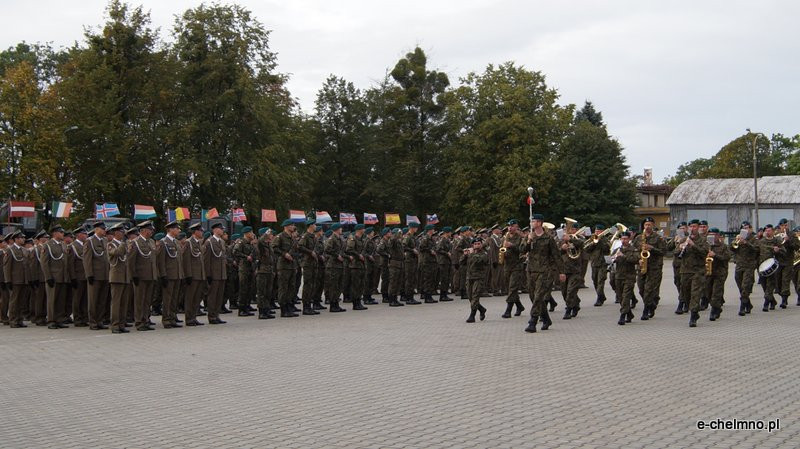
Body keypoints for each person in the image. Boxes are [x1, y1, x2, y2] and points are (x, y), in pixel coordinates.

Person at [523, 214, 565, 333]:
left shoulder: (548, 238)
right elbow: (522, 251)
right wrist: (528, 240)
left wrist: (561, 272)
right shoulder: (529, 236)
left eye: (534, 221)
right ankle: (546, 318)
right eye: (531, 221)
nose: (532, 223)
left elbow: (556, 256)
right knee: (533, 297)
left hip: (545, 271)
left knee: (538, 297)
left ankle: (533, 321)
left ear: (540, 223)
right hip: (531, 270)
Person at [679, 219, 711, 327]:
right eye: (691, 227)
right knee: (686, 293)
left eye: (695, 227)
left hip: (698, 271)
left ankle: (693, 316)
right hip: (685, 271)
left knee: (695, 293)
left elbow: (704, 252)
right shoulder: (684, 239)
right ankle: (692, 310)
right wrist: (680, 248)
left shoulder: (703, 240)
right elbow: (674, 253)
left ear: (698, 228)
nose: (693, 229)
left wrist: (693, 245)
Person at [633, 217, 666, 320]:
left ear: (653, 225)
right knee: (641, 289)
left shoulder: (658, 238)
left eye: (649, 224)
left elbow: (663, 251)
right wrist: (638, 259)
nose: (647, 226)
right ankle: (651, 304)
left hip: (654, 267)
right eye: (646, 225)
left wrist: (652, 248)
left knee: (649, 290)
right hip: (642, 266)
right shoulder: (638, 238)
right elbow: (633, 251)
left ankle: (646, 310)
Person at [40, 225, 70, 329]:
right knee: (52, 300)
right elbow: (44, 263)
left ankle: (59, 319)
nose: (63, 234)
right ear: (55, 233)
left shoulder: (63, 245)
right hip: (53, 277)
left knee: (61, 300)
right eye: (61, 232)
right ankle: (51, 320)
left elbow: (65, 262)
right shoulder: (47, 245)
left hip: (62, 277)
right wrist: (48, 277)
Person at [157, 221, 183, 328]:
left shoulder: (176, 242)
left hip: (177, 275)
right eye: (177, 228)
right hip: (168, 275)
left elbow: (179, 260)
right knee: (167, 299)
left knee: (174, 298)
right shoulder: (163, 242)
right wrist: (163, 275)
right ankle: (166, 319)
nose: (178, 230)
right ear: (171, 230)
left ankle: (172, 317)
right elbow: (161, 261)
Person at [107, 223, 131, 333]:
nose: (124, 234)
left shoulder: (123, 244)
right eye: (122, 232)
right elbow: (117, 253)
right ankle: (115, 325)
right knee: (116, 302)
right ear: (116, 232)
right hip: (116, 277)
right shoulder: (111, 244)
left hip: (125, 276)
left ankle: (122, 324)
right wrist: (123, 244)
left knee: (124, 302)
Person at [731, 221, 758, 316]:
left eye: (747, 228)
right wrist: (734, 242)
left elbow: (757, 249)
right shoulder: (739, 238)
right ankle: (748, 304)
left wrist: (746, 243)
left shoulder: (754, 239)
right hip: (739, 265)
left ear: (751, 229)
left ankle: (742, 307)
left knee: (745, 286)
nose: (745, 230)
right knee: (740, 286)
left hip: (749, 266)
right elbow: (732, 249)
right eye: (743, 228)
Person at [611, 231, 638, 325]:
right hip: (618, 276)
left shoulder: (633, 249)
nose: (623, 240)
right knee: (621, 297)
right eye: (622, 239)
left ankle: (622, 316)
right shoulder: (617, 249)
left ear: (629, 239)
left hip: (629, 276)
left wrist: (624, 256)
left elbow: (636, 260)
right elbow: (610, 260)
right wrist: (613, 259)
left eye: (625, 239)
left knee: (626, 296)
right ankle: (629, 313)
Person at [203, 222, 228, 324]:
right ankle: (212, 316)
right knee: (212, 296)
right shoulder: (209, 242)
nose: (222, 230)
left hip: (221, 273)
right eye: (221, 229)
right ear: (215, 230)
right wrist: (208, 274)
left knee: (219, 296)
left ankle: (217, 315)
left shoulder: (221, 242)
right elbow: (206, 260)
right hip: (214, 274)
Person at [3, 231, 29, 328]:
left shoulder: (24, 250)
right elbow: (6, 267)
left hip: (24, 279)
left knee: (22, 301)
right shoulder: (10, 250)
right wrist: (8, 280)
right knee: (14, 301)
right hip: (15, 280)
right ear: (16, 239)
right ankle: (13, 320)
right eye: (21, 238)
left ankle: (19, 319)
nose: (23, 239)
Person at [182, 223, 206, 326]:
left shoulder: (198, 243)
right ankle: (189, 318)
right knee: (190, 298)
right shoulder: (188, 243)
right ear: (195, 232)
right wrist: (188, 275)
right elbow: (186, 260)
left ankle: (194, 317)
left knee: (197, 298)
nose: (202, 232)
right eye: (200, 231)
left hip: (199, 275)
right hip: (192, 275)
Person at [501, 219, 526, 318]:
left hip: (517, 266)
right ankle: (519, 306)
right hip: (507, 265)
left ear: (516, 227)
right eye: (509, 226)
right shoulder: (505, 237)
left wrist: (512, 245)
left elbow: (522, 249)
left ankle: (508, 310)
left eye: (512, 226)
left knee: (512, 287)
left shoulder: (520, 237)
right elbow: (501, 247)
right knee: (510, 288)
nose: (510, 228)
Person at [705, 228, 731, 321]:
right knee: (708, 293)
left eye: (714, 235)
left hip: (720, 273)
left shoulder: (723, 246)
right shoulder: (706, 246)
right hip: (708, 273)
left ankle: (713, 311)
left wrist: (715, 255)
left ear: (718, 236)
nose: (712, 236)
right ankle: (717, 307)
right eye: (710, 234)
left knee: (716, 293)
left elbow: (727, 257)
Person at [757, 224, 784, 312]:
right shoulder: (761, 241)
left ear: (772, 231)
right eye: (766, 231)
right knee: (764, 285)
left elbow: (784, 252)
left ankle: (766, 304)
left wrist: (778, 250)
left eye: (769, 231)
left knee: (770, 286)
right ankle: (772, 301)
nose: (767, 232)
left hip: (772, 267)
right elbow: (755, 251)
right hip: (761, 267)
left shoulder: (777, 240)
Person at [233, 226, 257, 317]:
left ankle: (247, 306)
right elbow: (235, 252)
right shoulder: (241, 242)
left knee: (249, 289)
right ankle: (242, 309)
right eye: (251, 232)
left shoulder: (251, 243)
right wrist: (245, 256)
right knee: (243, 289)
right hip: (244, 268)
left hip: (250, 268)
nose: (252, 234)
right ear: (246, 233)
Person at [584, 224, 611, 306]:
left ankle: (599, 298)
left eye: (599, 231)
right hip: (594, 263)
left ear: (602, 232)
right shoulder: (592, 239)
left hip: (603, 263)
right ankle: (602, 296)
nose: (597, 232)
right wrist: (593, 243)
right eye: (596, 231)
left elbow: (607, 249)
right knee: (595, 281)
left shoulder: (606, 240)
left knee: (600, 281)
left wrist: (600, 241)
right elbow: (586, 249)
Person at [324, 223, 346, 312]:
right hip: (333, 265)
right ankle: (333, 305)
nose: (341, 229)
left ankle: (336, 303)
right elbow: (327, 249)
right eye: (340, 228)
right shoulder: (332, 238)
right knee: (334, 285)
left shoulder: (339, 239)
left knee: (339, 286)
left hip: (339, 265)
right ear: (337, 229)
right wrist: (337, 256)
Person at [465, 237, 488, 323]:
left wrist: (471, 254)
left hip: (478, 278)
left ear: (481, 244)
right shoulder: (471, 253)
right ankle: (482, 309)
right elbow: (461, 262)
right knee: (470, 297)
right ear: (472, 245)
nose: (477, 245)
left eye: (479, 244)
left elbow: (479, 261)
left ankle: (472, 315)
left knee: (475, 296)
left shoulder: (484, 254)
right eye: (475, 244)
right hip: (469, 278)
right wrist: (464, 255)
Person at [345, 224, 368, 310]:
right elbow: (349, 249)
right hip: (355, 265)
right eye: (363, 228)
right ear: (359, 230)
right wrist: (358, 255)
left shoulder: (361, 239)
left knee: (361, 285)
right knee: (356, 285)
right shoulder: (353, 239)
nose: (364, 230)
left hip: (361, 265)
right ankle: (355, 303)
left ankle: (359, 301)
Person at [402, 223, 421, 304]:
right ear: (412, 228)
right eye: (415, 227)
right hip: (409, 260)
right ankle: (409, 297)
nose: (416, 229)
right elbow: (403, 246)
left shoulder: (413, 237)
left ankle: (410, 297)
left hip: (413, 260)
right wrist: (412, 250)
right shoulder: (408, 236)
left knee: (413, 279)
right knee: (409, 279)